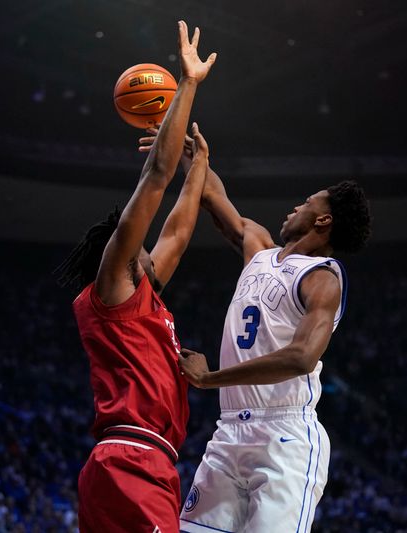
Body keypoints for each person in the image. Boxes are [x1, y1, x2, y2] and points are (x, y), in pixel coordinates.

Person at [137, 132, 371, 532]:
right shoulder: (259, 248)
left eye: (306, 203)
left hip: (285, 437)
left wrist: (211, 379)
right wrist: (189, 152)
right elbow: (210, 193)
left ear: (323, 219)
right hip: (229, 431)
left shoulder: (322, 279)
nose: (295, 207)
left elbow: (301, 358)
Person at [54, 20, 216, 533]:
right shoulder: (112, 287)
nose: (152, 247)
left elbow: (179, 233)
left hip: (145, 464)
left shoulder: (141, 293)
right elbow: (154, 179)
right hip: (131, 460)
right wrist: (187, 85)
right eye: (140, 244)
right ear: (120, 253)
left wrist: (201, 170)